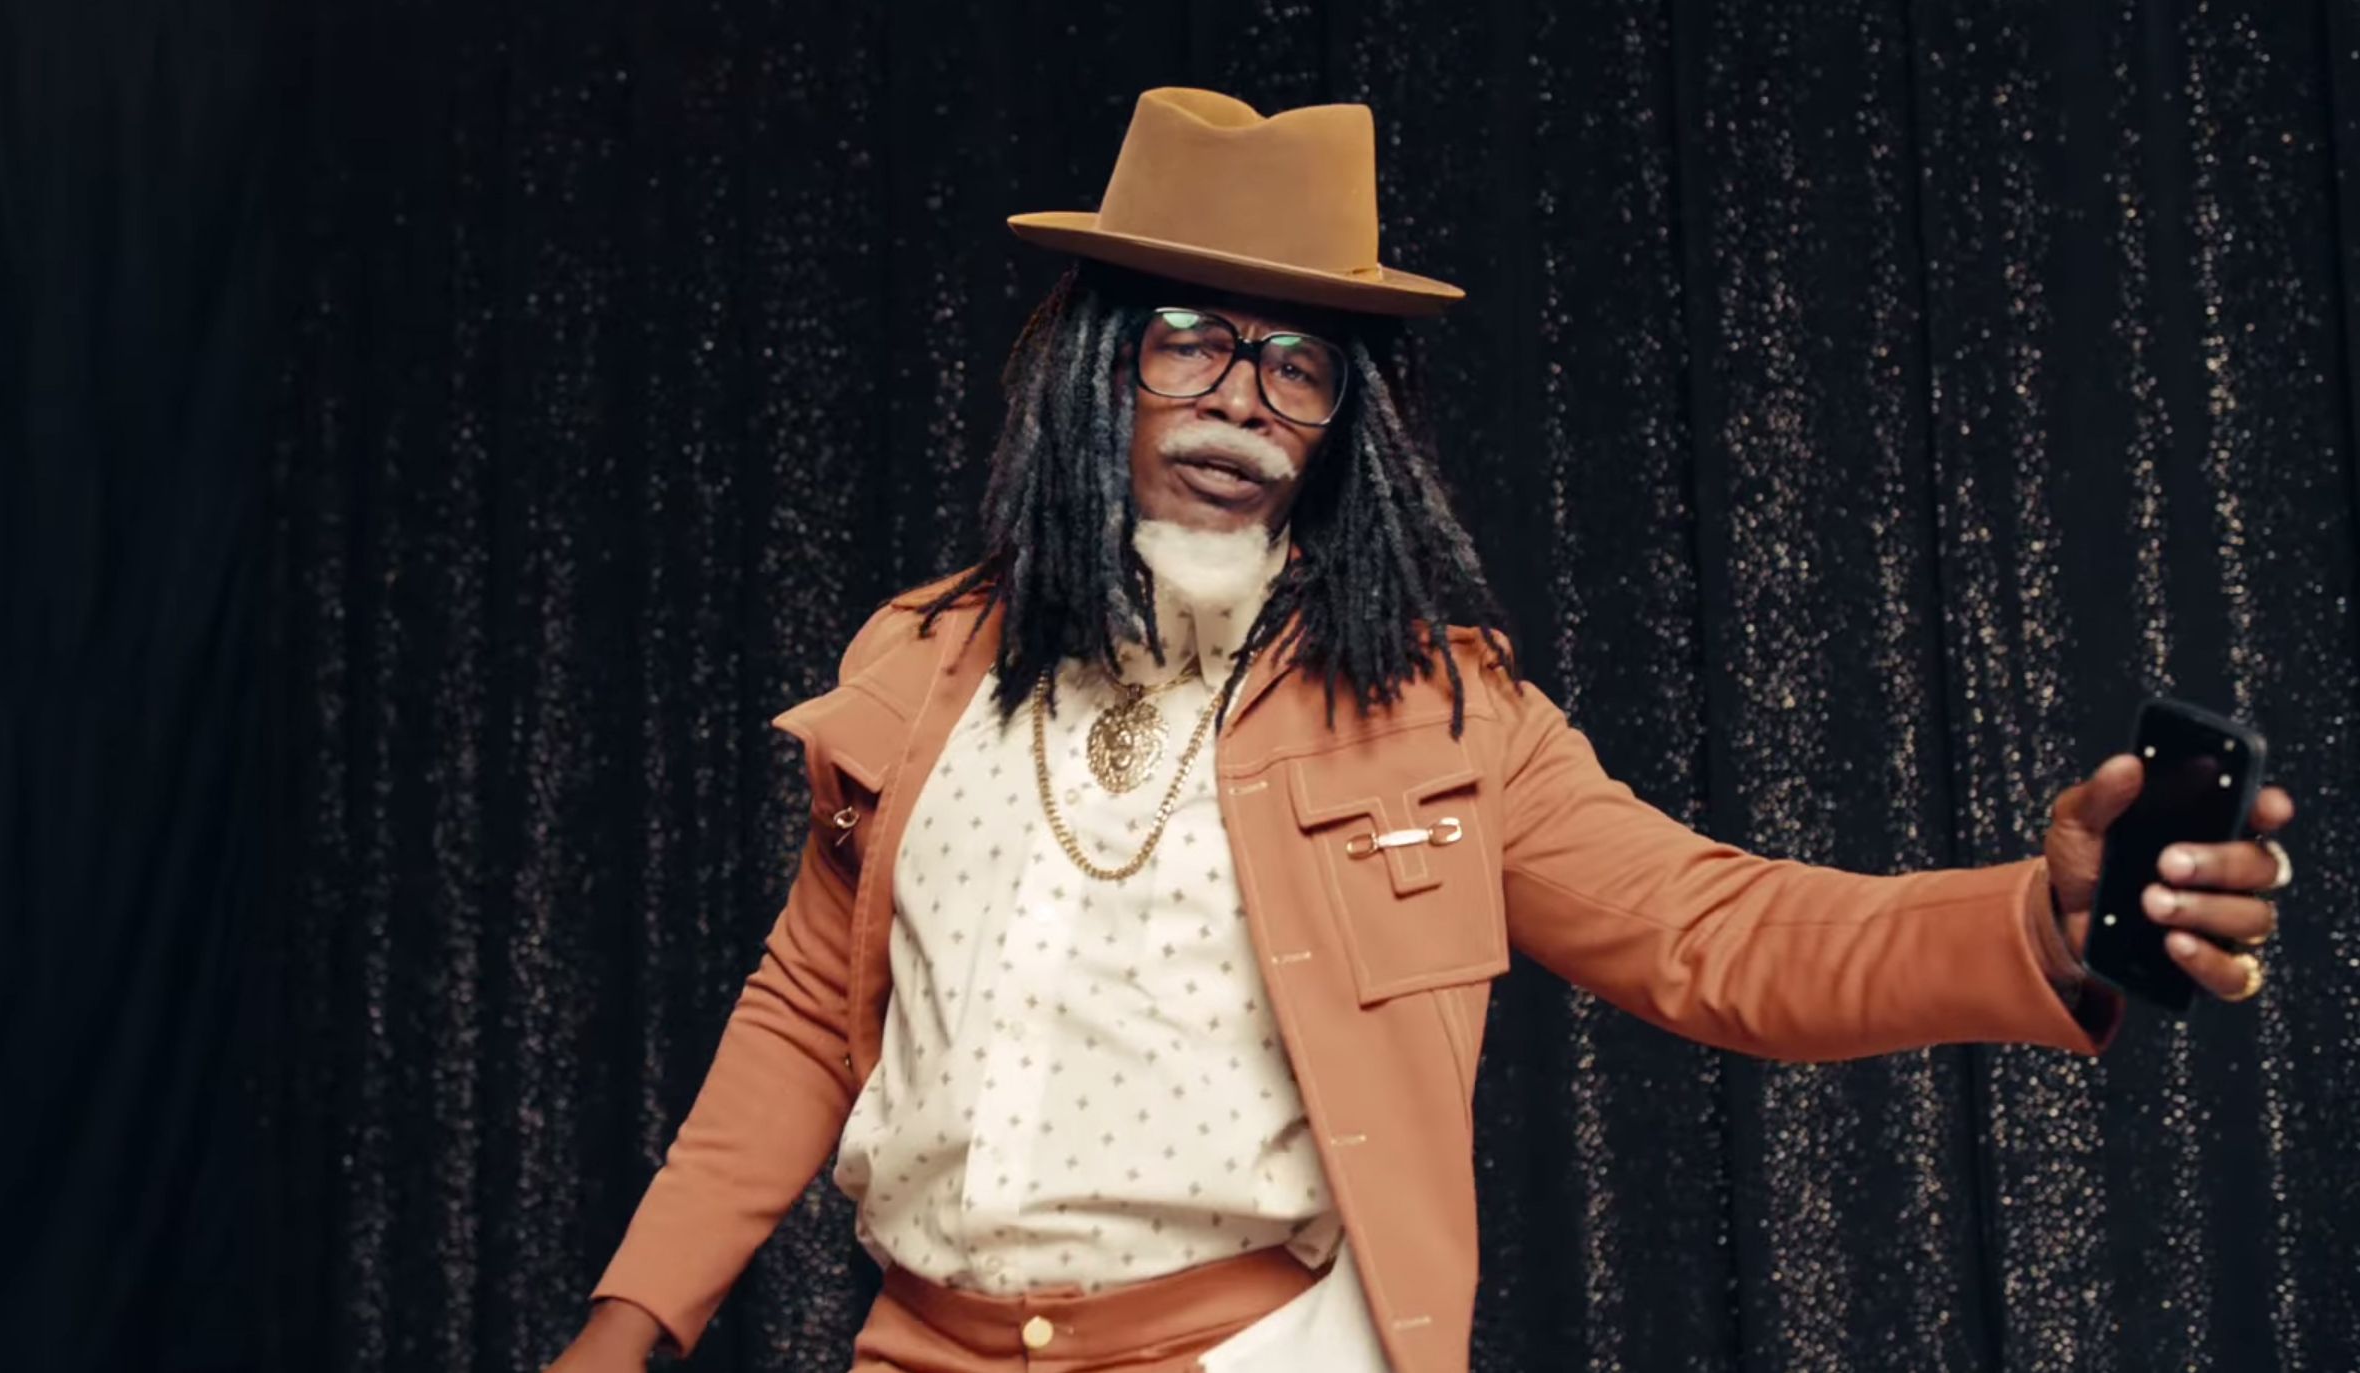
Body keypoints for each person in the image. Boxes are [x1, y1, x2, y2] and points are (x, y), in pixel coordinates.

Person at [547, 88, 2297, 1373]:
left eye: (1297, 363)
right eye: (1188, 341)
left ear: (1341, 427)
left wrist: (2037, 916)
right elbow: (811, 1006)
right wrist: (630, 1322)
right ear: (1093, 370)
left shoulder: (1439, 716)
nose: (1242, 398)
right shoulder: (919, 661)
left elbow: (1722, 934)